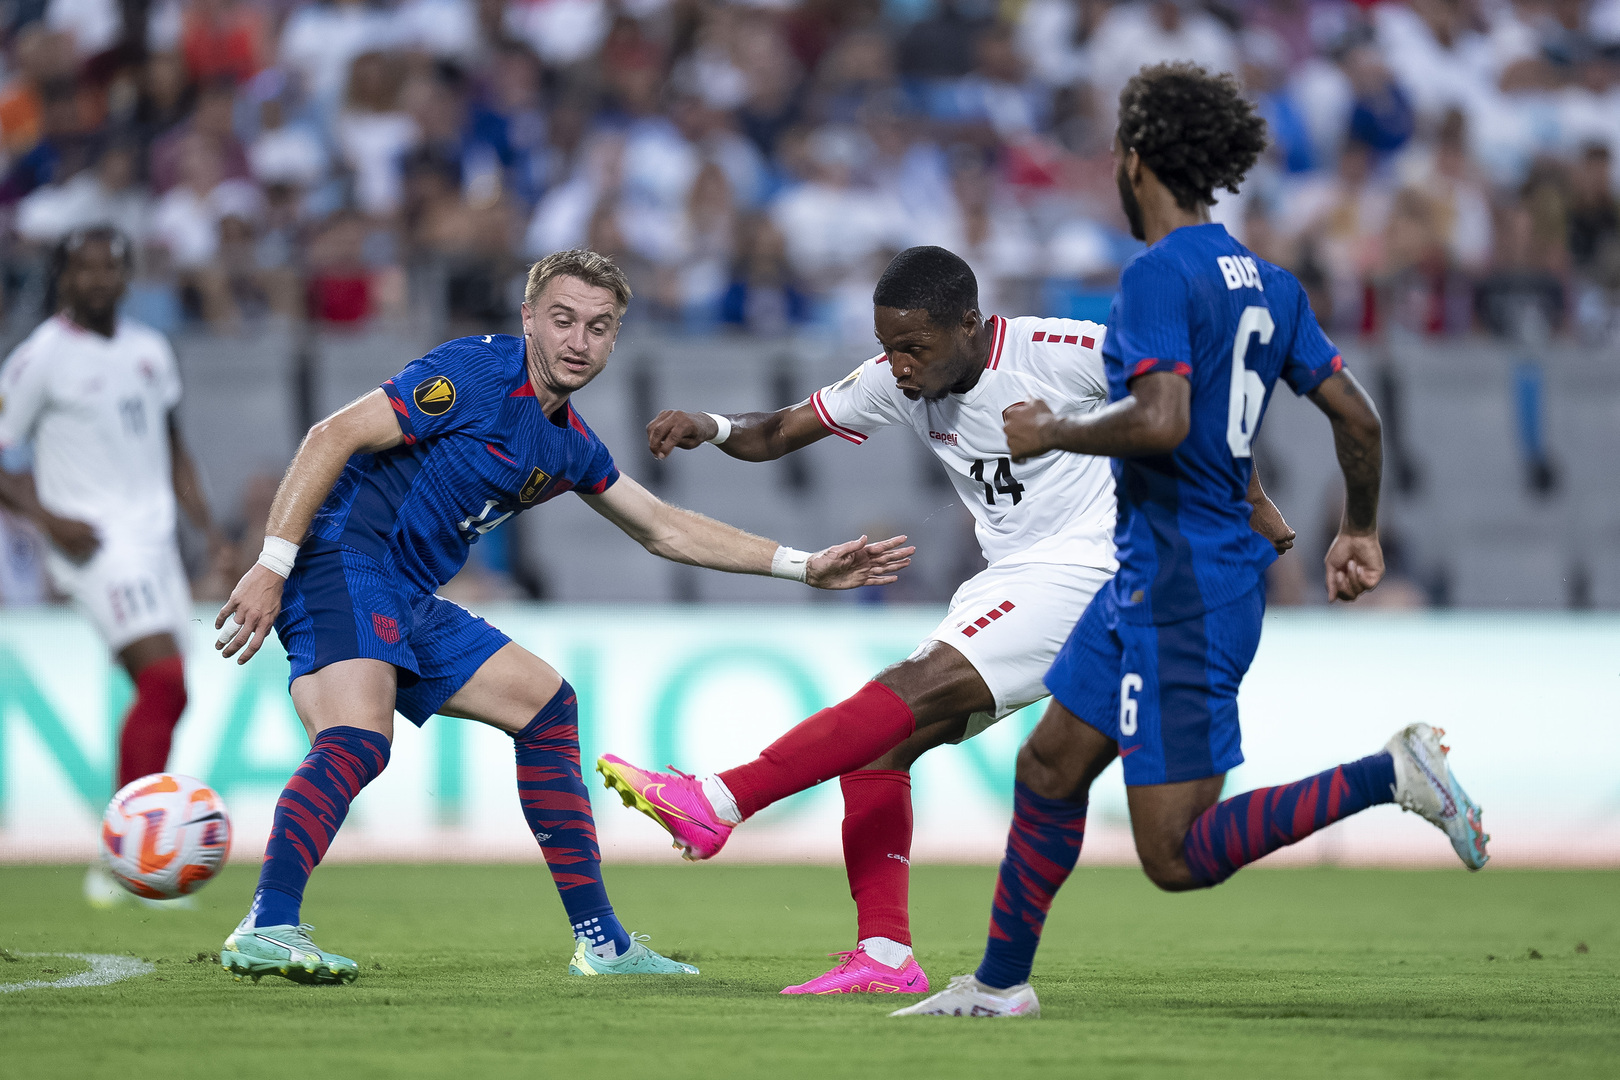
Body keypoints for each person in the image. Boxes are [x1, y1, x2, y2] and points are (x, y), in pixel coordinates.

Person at [890, 63, 1489, 1020]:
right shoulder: (1271, 283)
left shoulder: (1158, 275)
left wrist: (1057, 431)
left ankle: (1393, 773)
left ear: (1136, 162)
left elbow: (1161, 417)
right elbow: (1360, 421)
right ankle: (1000, 985)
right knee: (1047, 766)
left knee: (1175, 855)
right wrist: (1360, 528)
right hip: (1150, 571)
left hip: (1186, 587)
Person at [603, 244, 1297, 994]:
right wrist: (709, 425)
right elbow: (775, 431)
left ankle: (717, 801)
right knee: (878, 750)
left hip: (1095, 567)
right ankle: (885, 955)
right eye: (887, 348)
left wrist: (1255, 506)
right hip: (1014, 577)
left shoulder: (1059, 352)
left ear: (970, 324)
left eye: (913, 348)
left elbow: (1188, 401)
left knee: (911, 686)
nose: (898, 366)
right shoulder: (898, 382)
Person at [210, 248, 912, 985]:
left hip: (407, 592)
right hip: (341, 561)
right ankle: (269, 923)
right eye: (564, 320)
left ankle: (603, 944)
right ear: (528, 320)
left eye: (599, 327)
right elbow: (333, 434)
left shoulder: (567, 445)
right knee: (357, 737)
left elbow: (662, 526)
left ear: (615, 339)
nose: (579, 341)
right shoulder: (475, 372)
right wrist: (272, 563)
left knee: (546, 708)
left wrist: (802, 565)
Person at [0, 225, 225, 909]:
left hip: (154, 542)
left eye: (110, 268)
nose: (98, 280)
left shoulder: (151, 350)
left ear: (127, 277)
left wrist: (208, 529)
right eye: (84, 269)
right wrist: (48, 519)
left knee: (173, 693)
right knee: (162, 679)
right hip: (93, 545)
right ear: (63, 277)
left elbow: (174, 444)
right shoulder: (40, 357)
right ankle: (122, 852)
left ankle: (136, 849)